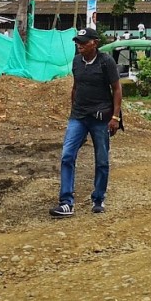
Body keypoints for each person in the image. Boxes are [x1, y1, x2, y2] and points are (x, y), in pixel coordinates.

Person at [51, 27, 122, 217]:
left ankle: (98, 199)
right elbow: (76, 87)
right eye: (78, 42)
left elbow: (116, 89)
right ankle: (66, 202)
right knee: (67, 155)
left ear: (94, 43)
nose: (79, 45)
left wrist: (115, 117)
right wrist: (73, 110)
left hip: (100, 118)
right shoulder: (76, 62)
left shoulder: (106, 62)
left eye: (83, 42)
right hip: (79, 116)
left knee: (101, 160)